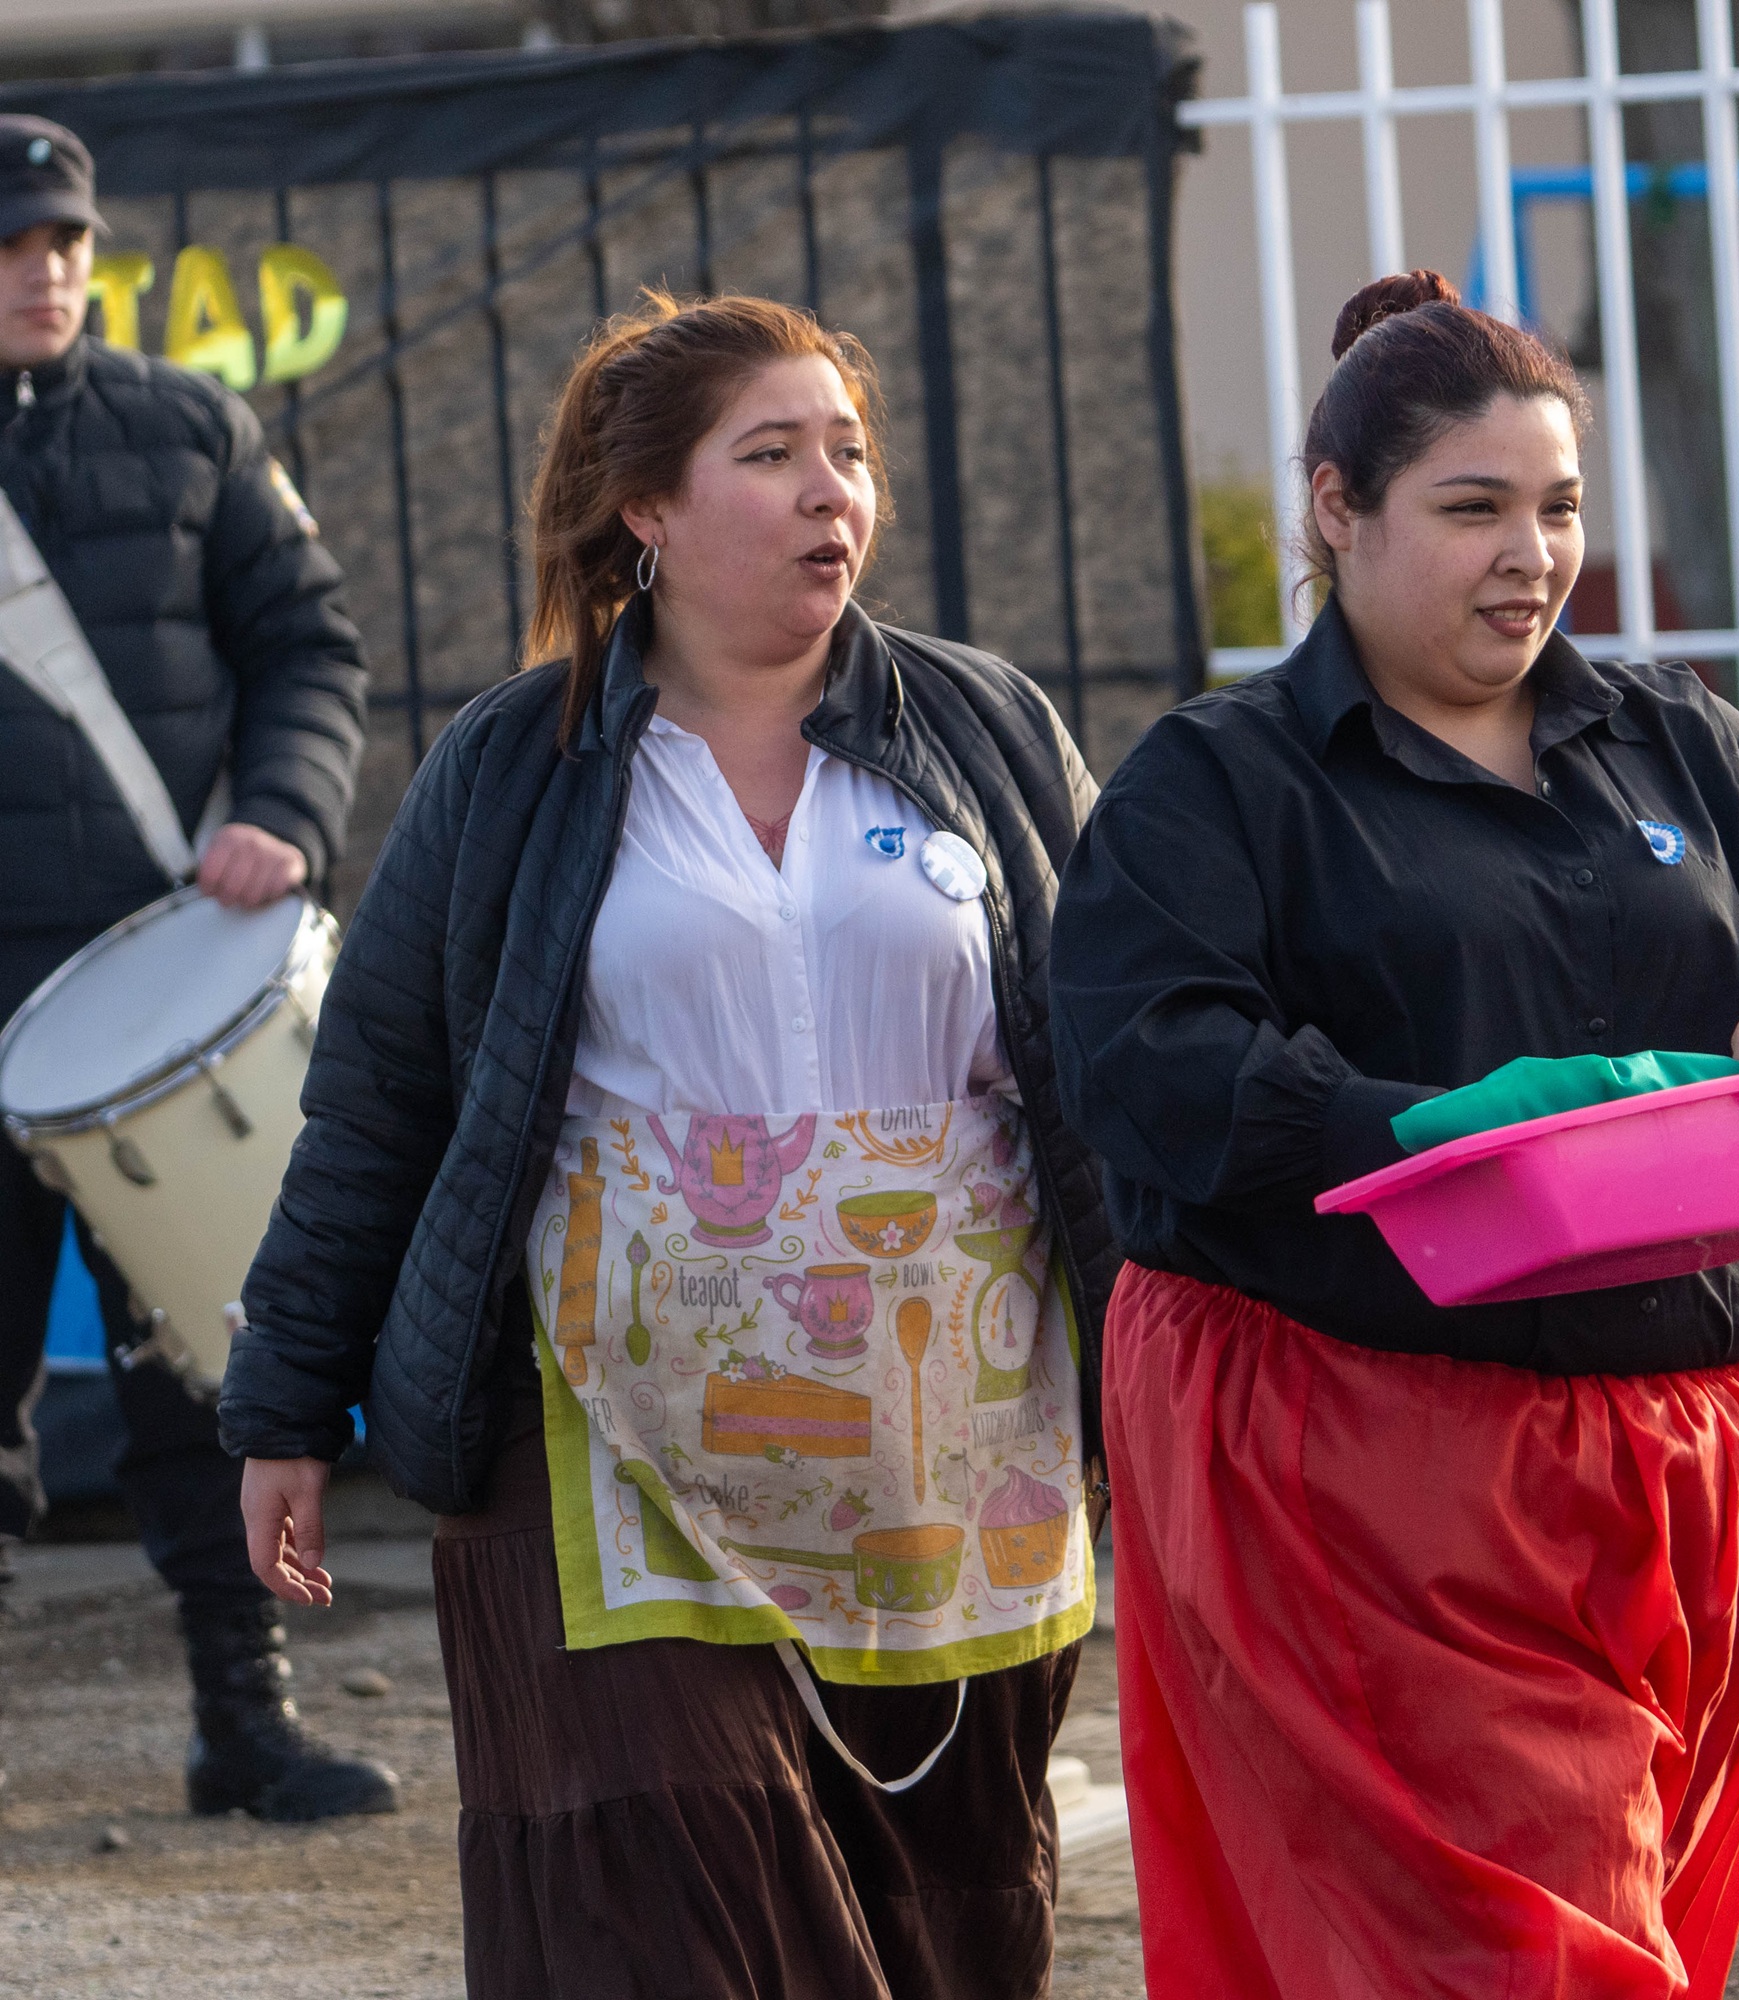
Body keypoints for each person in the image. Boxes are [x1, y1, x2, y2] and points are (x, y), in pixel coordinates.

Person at [1048, 269, 1739, 1997]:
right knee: (1513, 1952)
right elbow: (1149, 1072)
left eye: (1555, 507)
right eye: (1470, 509)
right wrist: (1445, 1135)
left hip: (1713, 1454)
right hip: (1378, 1460)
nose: (1529, 556)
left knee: (1641, 1926)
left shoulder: (1670, 734)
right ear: (1337, 511)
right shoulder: (1220, 782)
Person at [218, 290, 1113, 1997]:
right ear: (648, 508)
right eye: (769, 456)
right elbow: (385, 1101)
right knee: (671, 1908)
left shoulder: (985, 736)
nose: (829, 493)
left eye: (846, 453)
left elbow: (1108, 1069)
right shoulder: (515, 767)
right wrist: (286, 1398)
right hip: (607, 1454)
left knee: (942, 1919)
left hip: (947, 1458)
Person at [0, 113, 385, 1821]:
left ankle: (249, 1726)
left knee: (213, 1372)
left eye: (66, 241)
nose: (49, 271)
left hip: (154, 993)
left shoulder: (187, 428)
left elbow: (308, 642)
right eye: (15, 246)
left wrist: (286, 815)